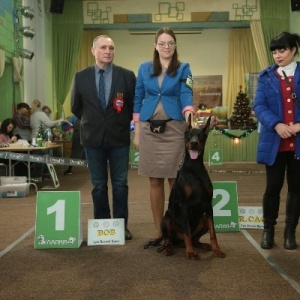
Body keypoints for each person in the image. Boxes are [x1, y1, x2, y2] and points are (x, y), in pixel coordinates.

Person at [133, 27, 195, 247]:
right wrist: (138, 132)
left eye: (170, 43)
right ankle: (160, 231)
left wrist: (188, 109)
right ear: (155, 45)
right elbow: (138, 97)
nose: (166, 46)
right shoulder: (144, 68)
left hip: (175, 130)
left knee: (175, 182)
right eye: (162, 43)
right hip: (149, 129)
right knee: (155, 180)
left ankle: (177, 229)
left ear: (175, 45)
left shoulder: (183, 68)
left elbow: (187, 92)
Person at [71, 35, 136, 240]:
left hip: (119, 138)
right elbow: (76, 107)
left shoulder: (127, 76)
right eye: (103, 47)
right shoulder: (81, 76)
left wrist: (119, 123)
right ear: (93, 51)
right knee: (98, 185)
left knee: (120, 184)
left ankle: (120, 225)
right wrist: (94, 122)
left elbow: (133, 106)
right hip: (92, 139)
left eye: (111, 48)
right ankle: (102, 225)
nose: (108, 51)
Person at [253, 31, 300, 250]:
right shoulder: (266, 76)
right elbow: (259, 106)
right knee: (272, 188)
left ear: (293, 50)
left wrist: (298, 127)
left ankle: (290, 233)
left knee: (296, 189)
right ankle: (268, 231)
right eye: (274, 51)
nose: (277, 55)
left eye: (282, 50)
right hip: (275, 142)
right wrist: (277, 125)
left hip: (298, 143)